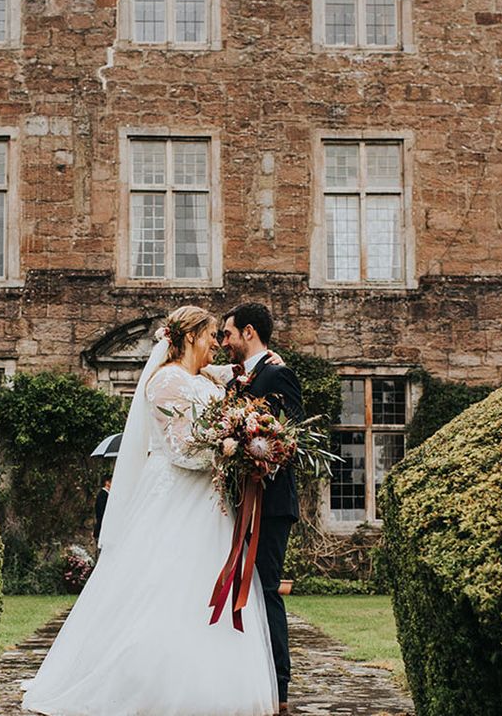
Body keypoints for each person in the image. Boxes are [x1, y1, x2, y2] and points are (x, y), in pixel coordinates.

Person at [21, 305, 278, 716]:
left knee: (205, 586)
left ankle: (209, 684)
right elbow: (180, 450)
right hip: (176, 493)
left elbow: (242, 377)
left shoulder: (205, 377)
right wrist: (226, 449)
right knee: (163, 585)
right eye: (212, 335)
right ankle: (144, 682)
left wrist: (264, 374)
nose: (217, 343)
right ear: (191, 336)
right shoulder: (164, 382)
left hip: (210, 502)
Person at [219, 303, 303, 715]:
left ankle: (279, 687)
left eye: (227, 334)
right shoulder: (237, 381)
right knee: (239, 591)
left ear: (248, 332)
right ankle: (243, 676)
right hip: (240, 500)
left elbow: (299, 434)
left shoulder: (278, 373)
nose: (223, 342)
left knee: (266, 590)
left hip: (270, 503)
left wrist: (264, 451)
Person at [92, 476, 110, 543]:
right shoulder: (102, 495)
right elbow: (102, 511)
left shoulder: (105, 494)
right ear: (107, 482)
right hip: (101, 527)